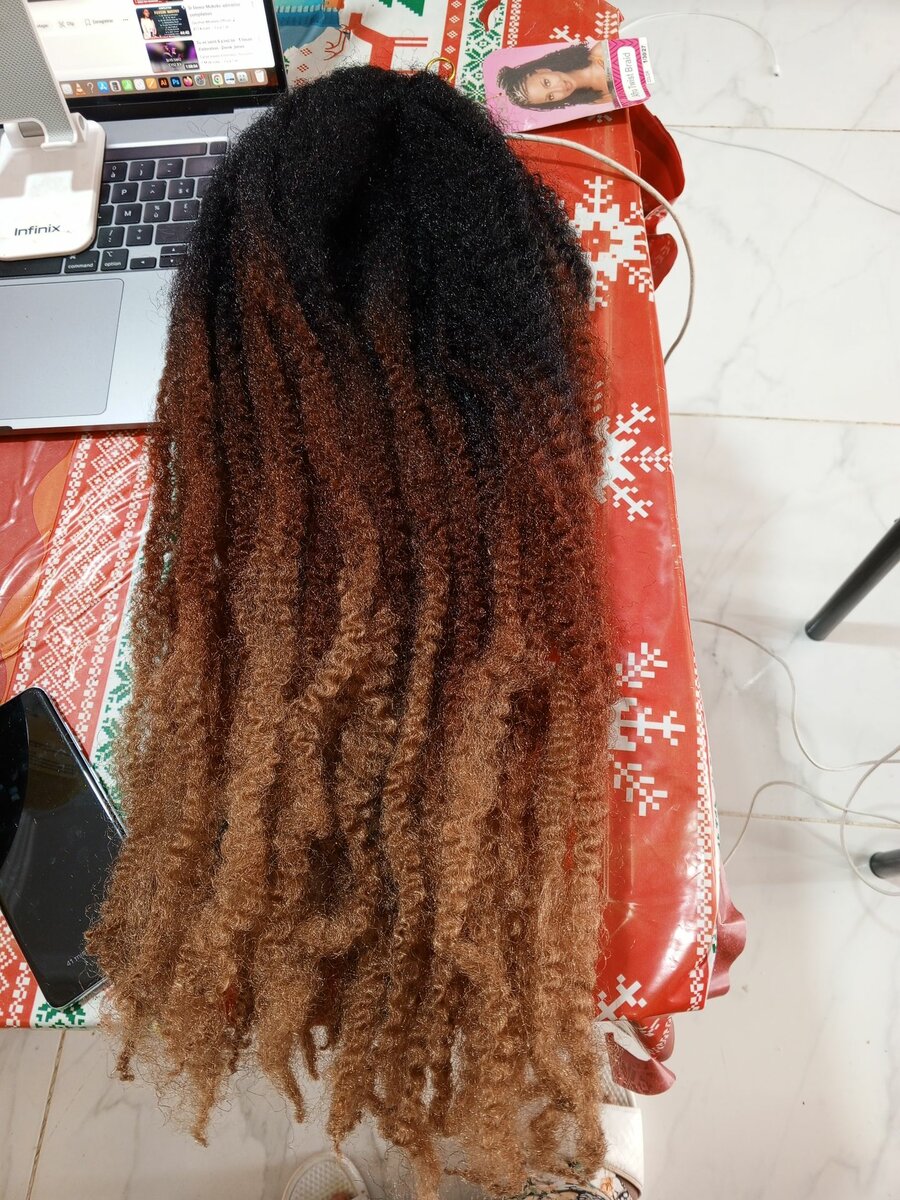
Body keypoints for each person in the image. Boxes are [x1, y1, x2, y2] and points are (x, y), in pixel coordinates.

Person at [497, 42, 612, 110]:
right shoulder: (598, 99)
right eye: (551, 97)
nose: (559, 89)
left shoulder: (600, 52)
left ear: (543, 70)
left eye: (547, 83)